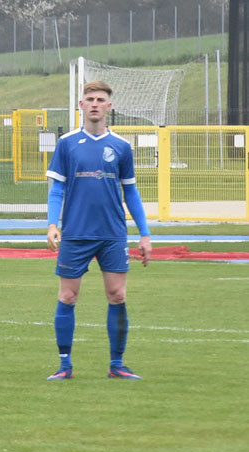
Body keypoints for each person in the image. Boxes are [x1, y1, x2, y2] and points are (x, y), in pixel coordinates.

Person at [44, 80, 152, 381]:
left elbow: (131, 193)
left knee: (117, 295)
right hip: (75, 233)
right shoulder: (67, 143)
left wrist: (144, 234)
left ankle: (117, 364)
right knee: (67, 296)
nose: (94, 103)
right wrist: (53, 223)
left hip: (112, 234)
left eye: (100, 99)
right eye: (89, 98)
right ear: (81, 105)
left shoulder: (121, 146)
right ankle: (64, 364)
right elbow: (57, 190)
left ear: (109, 106)